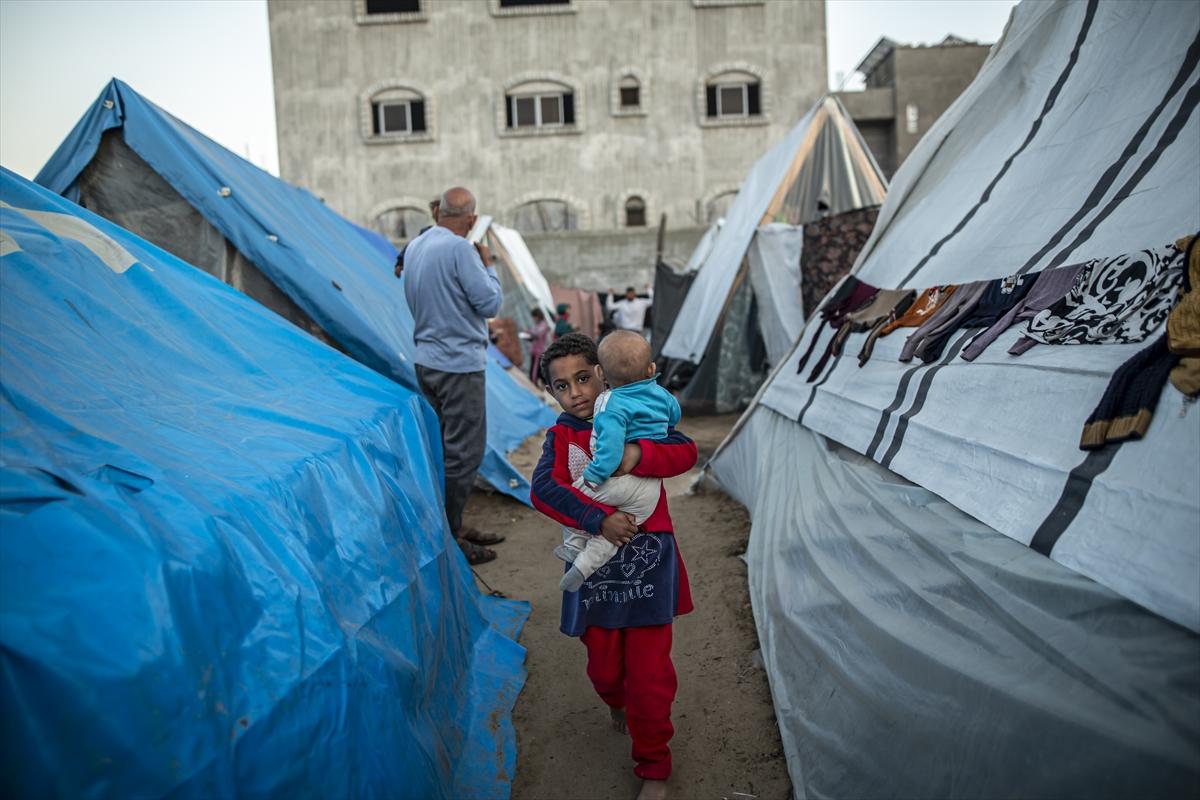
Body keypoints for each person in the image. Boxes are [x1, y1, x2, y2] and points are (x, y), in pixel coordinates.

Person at [530, 332, 696, 800]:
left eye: (584, 378)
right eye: (563, 386)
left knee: (650, 677)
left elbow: (685, 450)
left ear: (603, 374)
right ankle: (614, 701)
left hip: (648, 569)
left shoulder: (634, 414)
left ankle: (654, 766)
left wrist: (637, 454)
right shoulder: (560, 437)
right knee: (605, 671)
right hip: (595, 577)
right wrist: (598, 519)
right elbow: (543, 490)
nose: (577, 392)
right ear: (551, 394)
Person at [402, 187, 505, 565]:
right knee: (464, 454)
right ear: (472, 219)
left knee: (442, 450)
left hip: (427, 360)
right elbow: (490, 303)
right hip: (459, 364)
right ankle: (449, 535)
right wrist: (488, 264)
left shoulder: (417, 246)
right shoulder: (461, 249)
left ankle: (453, 525)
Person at [556, 331, 681, 592]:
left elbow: (612, 451)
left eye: (583, 378)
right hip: (650, 494)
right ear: (652, 368)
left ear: (601, 373)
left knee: (576, 494)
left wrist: (596, 474)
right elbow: (674, 416)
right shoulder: (662, 394)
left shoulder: (611, 404)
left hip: (621, 482)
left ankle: (575, 545)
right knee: (614, 536)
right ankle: (583, 566)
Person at [523, 308, 551, 386]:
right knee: (535, 370)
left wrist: (529, 332)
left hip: (539, 351)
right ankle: (536, 383)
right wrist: (527, 335)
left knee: (535, 371)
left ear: (537, 316)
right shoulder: (538, 325)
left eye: (534, 317)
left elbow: (537, 333)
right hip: (535, 351)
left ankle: (534, 384)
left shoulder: (543, 325)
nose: (533, 319)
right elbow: (533, 335)